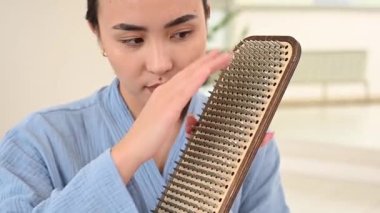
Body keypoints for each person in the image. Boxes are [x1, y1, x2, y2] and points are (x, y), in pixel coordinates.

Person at [0, 0, 289, 212]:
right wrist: (128, 154)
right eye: (133, 40)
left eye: (182, 33)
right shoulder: (35, 141)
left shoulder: (245, 135)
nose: (160, 63)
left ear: (206, 17)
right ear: (98, 33)